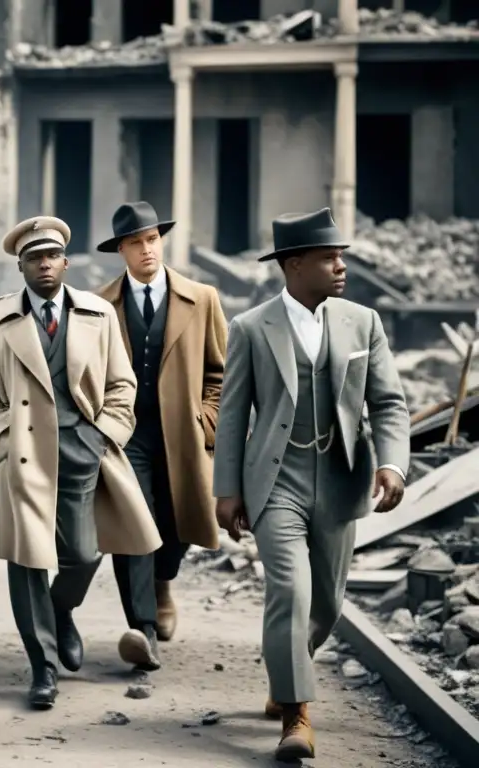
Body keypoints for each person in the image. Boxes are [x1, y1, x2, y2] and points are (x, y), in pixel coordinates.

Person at [213, 207, 410, 762]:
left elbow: (388, 402)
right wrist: (227, 490)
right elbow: (233, 415)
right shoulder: (251, 328)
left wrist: (393, 464)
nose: (341, 266)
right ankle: (296, 716)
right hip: (276, 482)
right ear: (293, 265)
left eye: (341, 256)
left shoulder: (362, 322)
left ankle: (285, 668)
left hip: (342, 476)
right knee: (291, 591)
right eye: (329, 258)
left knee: (325, 603)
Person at [0, 215, 161, 709]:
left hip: (83, 449)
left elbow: (123, 385)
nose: (44, 264)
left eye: (51, 256)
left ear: (65, 261)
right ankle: (42, 668)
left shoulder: (98, 315)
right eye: (33, 257)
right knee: (28, 562)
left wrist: (103, 436)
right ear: (20, 266)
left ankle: (61, 613)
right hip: (22, 455)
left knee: (83, 552)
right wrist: (1, 441)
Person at [94, 202, 228, 669]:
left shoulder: (202, 297)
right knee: (132, 524)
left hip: (183, 434)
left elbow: (220, 372)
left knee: (175, 524)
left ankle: (164, 581)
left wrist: (206, 419)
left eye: (152, 239)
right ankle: (143, 629)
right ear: (121, 251)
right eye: (135, 242)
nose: (146, 249)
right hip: (126, 435)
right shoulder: (99, 305)